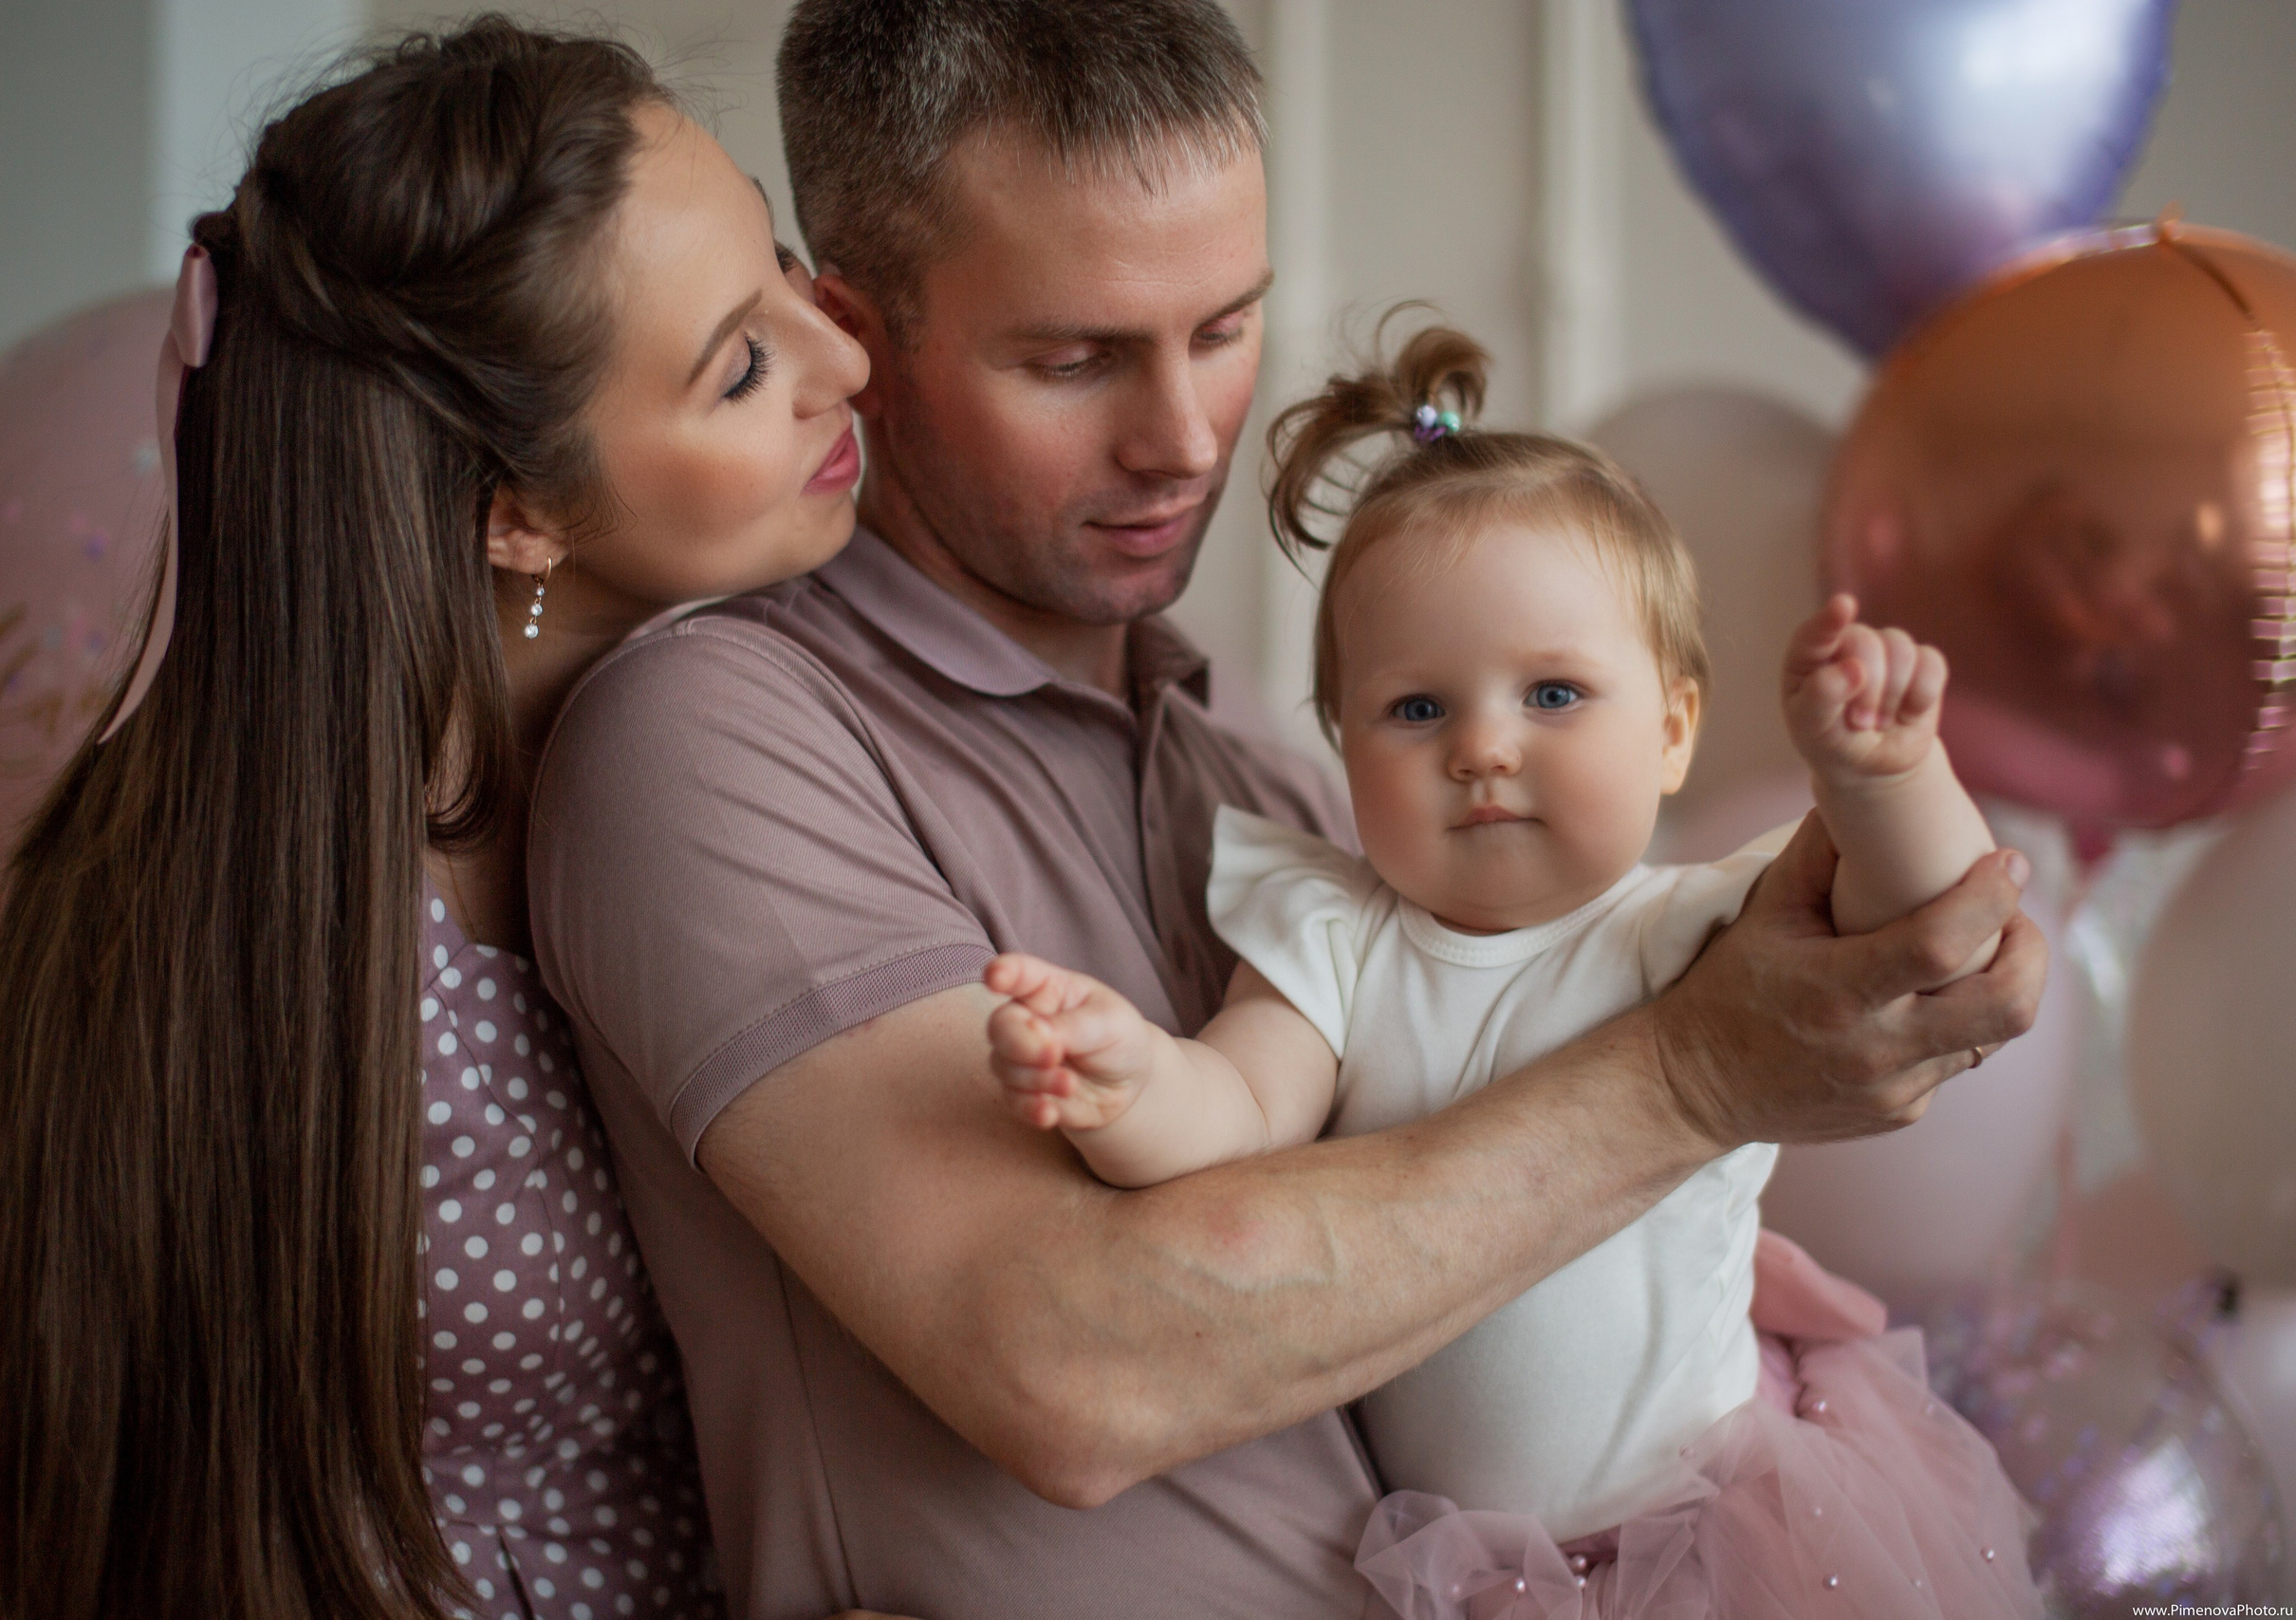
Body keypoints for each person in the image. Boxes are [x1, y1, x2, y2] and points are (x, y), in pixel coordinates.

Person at [525, 2, 2046, 1615]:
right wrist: (1698, 1070)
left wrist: (1889, 900)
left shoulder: (1260, 764)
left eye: (1225, 326)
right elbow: (1070, 1365)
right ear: (858, 336)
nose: (1182, 441)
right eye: (1074, 357)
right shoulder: (714, 729)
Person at [0, 21, 880, 1620]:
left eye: (781, 267)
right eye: (742, 365)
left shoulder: (711, 743)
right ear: (521, 511)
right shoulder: (242, 939)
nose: (843, 358)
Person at [981, 322, 2043, 1617]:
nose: (1483, 749)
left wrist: (1884, 777)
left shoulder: (1688, 931)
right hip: (1467, 1569)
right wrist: (1126, 1077)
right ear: (1340, 741)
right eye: (1418, 709)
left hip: (1712, 1524)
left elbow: (1922, 923)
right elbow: (1235, 1115)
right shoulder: (1336, 936)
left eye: (1551, 696)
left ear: (1672, 728)